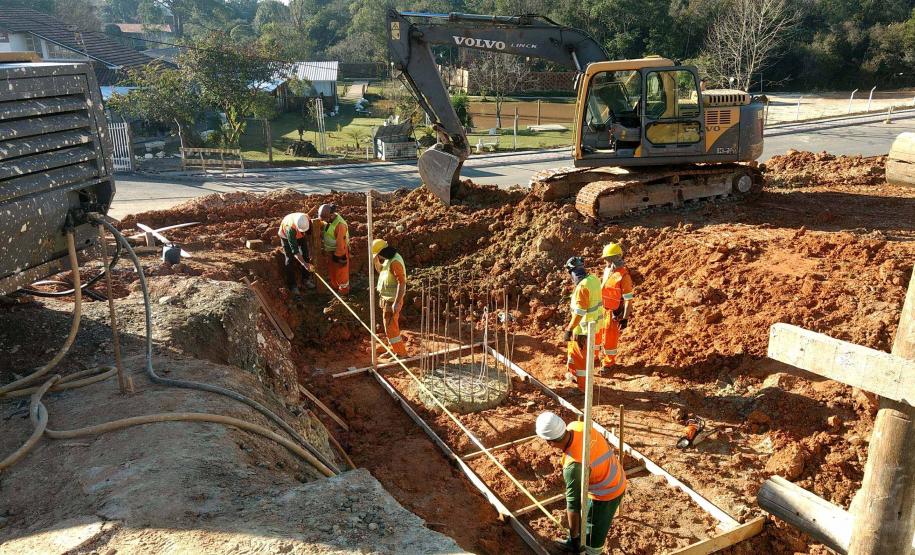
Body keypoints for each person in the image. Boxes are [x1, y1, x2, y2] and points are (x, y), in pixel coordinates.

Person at [536, 411, 626, 554]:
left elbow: (573, 504)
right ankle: (573, 543)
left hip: (607, 494)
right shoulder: (577, 425)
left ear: (550, 442)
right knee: (586, 525)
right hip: (615, 474)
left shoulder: (573, 465)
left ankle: (589, 551)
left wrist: (575, 535)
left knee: (592, 540)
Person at [562, 256, 604, 392]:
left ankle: (583, 389)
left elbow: (580, 313)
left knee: (581, 363)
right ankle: (576, 378)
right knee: (579, 357)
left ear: (572, 272)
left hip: (583, 332)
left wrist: (569, 329)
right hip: (595, 327)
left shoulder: (581, 288)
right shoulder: (594, 279)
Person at [597, 243, 634, 373]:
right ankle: (595, 358)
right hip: (601, 309)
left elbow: (628, 299)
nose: (605, 261)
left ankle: (608, 364)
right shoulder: (608, 270)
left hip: (613, 313)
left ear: (615, 258)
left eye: (607, 258)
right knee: (597, 336)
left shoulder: (624, 276)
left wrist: (625, 318)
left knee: (609, 340)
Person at [372, 239, 407, 359]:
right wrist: (375, 260)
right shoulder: (389, 259)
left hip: (392, 300)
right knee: (388, 327)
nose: (379, 257)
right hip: (387, 300)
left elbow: (401, 283)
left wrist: (397, 303)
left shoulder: (395, 262)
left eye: (379, 254)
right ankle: (393, 350)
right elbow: (381, 271)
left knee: (392, 328)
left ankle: (401, 353)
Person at [317, 203, 350, 295]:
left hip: (340, 252)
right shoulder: (327, 219)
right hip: (330, 251)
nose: (324, 221)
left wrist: (338, 256)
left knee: (341, 272)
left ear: (331, 215)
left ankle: (344, 291)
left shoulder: (340, 225)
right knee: (332, 271)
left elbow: (341, 244)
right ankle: (335, 288)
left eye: (326, 219)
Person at [277, 212, 314, 294]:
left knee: (306, 254)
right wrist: (304, 264)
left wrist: (310, 250)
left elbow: (309, 235)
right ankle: (292, 285)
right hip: (285, 236)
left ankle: (306, 279)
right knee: (289, 259)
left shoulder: (306, 219)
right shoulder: (289, 229)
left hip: (299, 234)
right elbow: (295, 252)